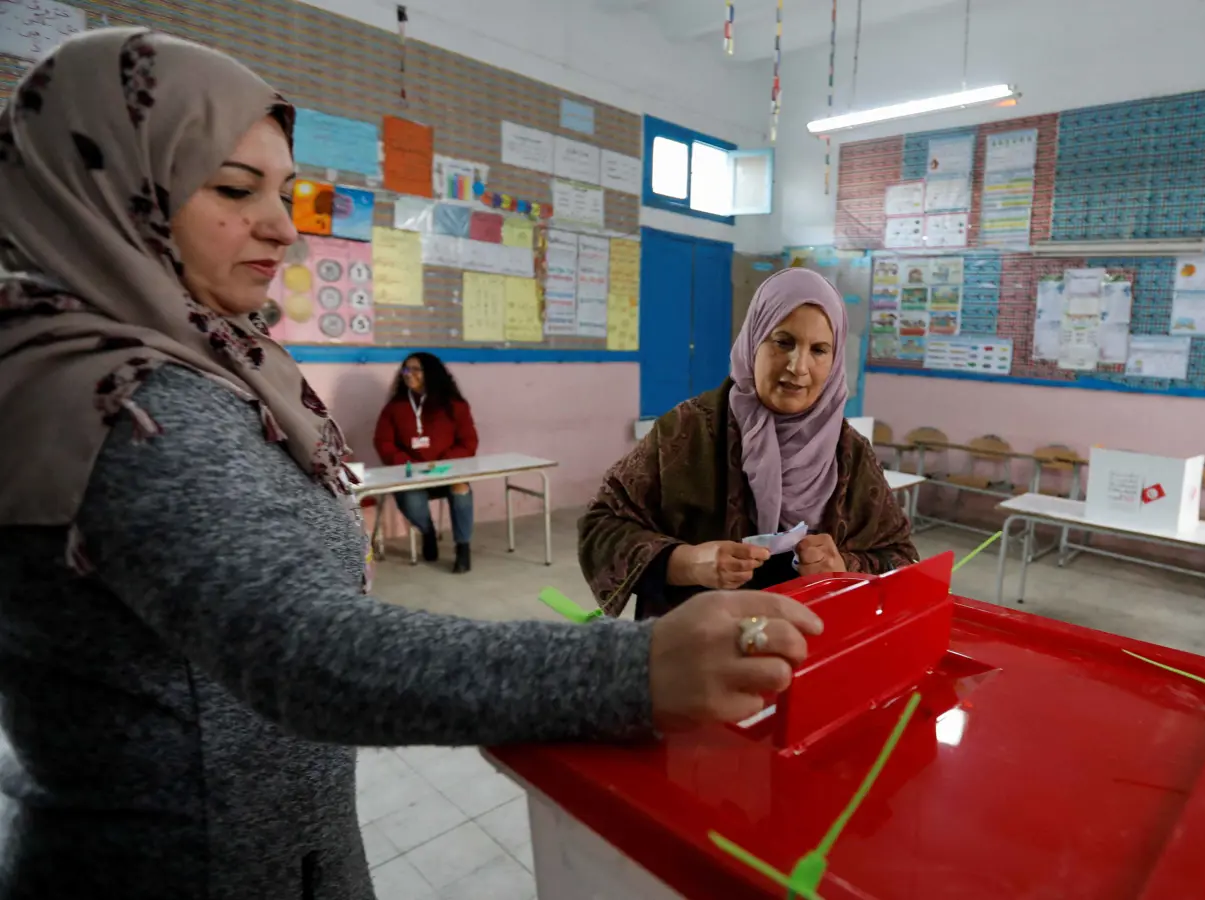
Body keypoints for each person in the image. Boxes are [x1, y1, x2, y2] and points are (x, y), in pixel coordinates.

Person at [0, 30, 822, 900]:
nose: (283, 228)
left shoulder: (219, 362)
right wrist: (633, 668)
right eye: (235, 190)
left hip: (280, 840)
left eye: (287, 190)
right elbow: (302, 649)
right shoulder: (121, 403)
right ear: (112, 186)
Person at [579, 267, 918, 620]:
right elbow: (601, 526)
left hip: (815, 652)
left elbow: (901, 559)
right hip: (698, 652)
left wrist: (843, 568)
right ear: (753, 340)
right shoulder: (687, 432)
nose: (798, 366)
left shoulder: (850, 454)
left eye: (819, 350)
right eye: (783, 342)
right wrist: (687, 563)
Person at [373, 352, 478, 572]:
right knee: (411, 498)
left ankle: (463, 547)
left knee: (461, 491)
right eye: (405, 370)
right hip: (412, 473)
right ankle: (428, 532)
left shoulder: (455, 405)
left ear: (431, 373)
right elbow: (383, 442)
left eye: (415, 370)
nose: (408, 375)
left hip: (447, 471)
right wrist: (407, 463)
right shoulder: (395, 407)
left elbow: (468, 442)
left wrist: (444, 463)